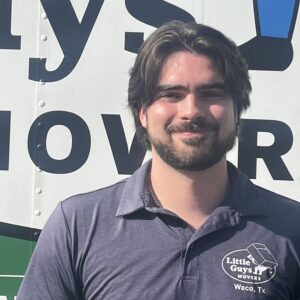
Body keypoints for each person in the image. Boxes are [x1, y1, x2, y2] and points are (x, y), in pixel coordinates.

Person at [17, 21, 300, 299]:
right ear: (142, 112)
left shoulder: (292, 228)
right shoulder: (77, 225)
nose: (191, 111)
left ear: (237, 109)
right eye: (171, 95)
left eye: (211, 93)